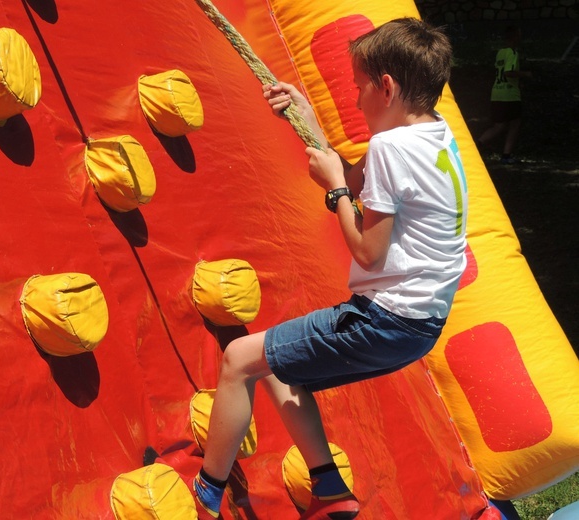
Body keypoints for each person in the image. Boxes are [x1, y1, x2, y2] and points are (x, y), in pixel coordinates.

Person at [187, 17, 468, 519]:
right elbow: (356, 180)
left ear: (387, 87)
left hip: (387, 318)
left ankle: (206, 492)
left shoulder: (392, 148)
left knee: (237, 360)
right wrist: (305, 117)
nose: (357, 100)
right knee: (273, 362)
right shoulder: (435, 136)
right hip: (420, 324)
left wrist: (335, 189)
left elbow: (366, 250)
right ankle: (331, 489)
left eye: (361, 88)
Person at [477, 25, 532, 164]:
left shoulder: (500, 53)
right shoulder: (513, 53)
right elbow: (508, 72)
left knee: (499, 126)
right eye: (519, 35)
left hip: (497, 93)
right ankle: (507, 155)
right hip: (510, 94)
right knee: (515, 124)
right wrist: (525, 74)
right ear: (515, 37)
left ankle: (478, 144)